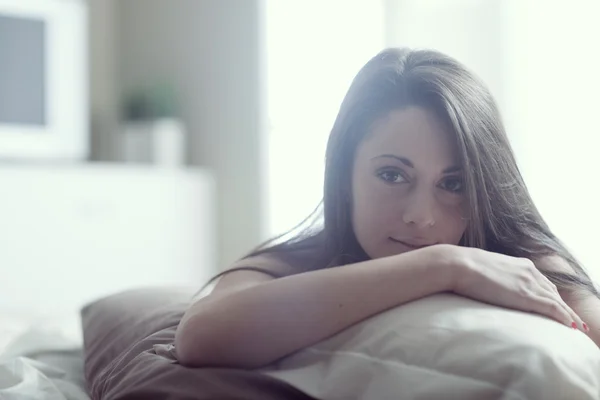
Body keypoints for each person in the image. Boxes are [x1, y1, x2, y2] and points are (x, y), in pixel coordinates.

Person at [175, 47, 600, 369]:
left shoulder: (523, 263)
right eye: (392, 175)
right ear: (344, 177)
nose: (421, 216)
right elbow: (199, 336)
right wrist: (447, 264)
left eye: (452, 184)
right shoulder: (300, 262)